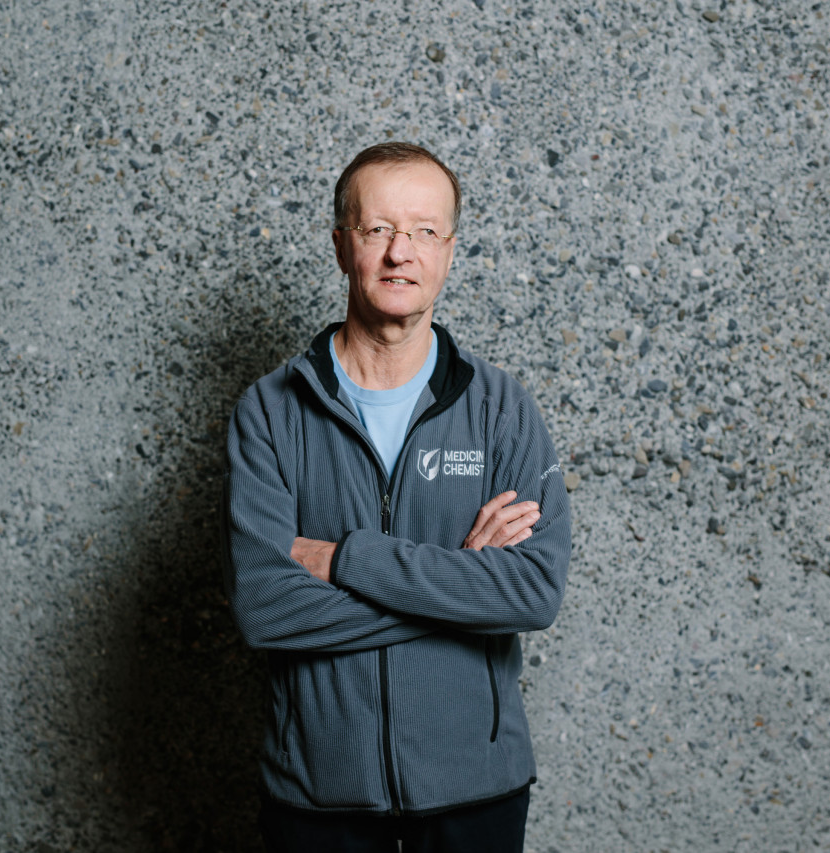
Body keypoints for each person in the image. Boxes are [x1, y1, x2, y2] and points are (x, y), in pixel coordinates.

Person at [221, 142, 572, 852]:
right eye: (378, 228)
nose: (399, 252)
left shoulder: (502, 409)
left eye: (424, 231)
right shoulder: (270, 411)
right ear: (341, 245)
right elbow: (263, 606)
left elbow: (533, 592)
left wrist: (347, 560)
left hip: (476, 789)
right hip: (317, 794)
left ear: (449, 251)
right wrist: (465, 586)